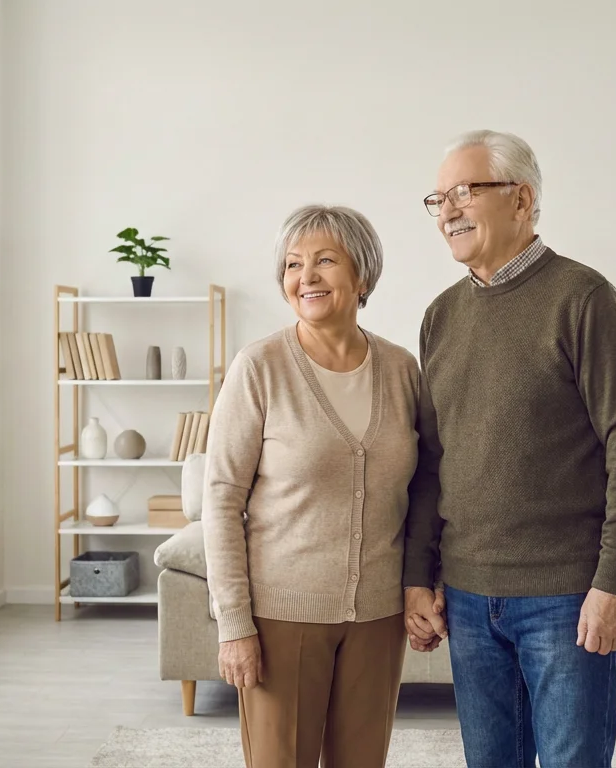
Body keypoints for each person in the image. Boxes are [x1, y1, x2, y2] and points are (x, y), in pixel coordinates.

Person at [403, 129, 616, 768]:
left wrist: (614, 583)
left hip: (566, 595)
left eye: (465, 192)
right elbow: (432, 462)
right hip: (466, 598)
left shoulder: (584, 299)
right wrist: (419, 576)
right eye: (438, 200)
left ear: (521, 199)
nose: (449, 212)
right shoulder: (440, 316)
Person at [202, 204, 420, 768]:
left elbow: (423, 489)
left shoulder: (401, 370)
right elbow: (222, 499)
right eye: (293, 265)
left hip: (377, 617)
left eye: (325, 260)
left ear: (362, 275)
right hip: (281, 618)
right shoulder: (259, 368)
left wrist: (424, 586)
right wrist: (234, 625)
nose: (307, 277)